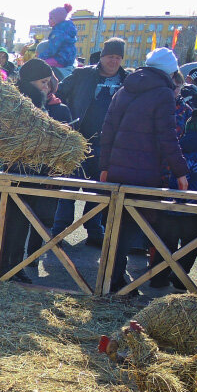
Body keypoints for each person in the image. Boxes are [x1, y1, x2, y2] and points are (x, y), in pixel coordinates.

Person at [99, 47, 188, 293]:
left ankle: (110, 278)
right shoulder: (163, 94)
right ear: (170, 71)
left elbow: (107, 131)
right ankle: (115, 282)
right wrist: (181, 171)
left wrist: (104, 167)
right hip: (145, 173)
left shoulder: (123, 89)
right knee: (129, 227)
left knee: (116, 225)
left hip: (117, 169)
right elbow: (167, 137)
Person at [0, 59, 72, 283]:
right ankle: (7, 268)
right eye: (42, 82)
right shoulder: (16, 105)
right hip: (18, 173)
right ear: (29, 82)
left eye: (49, 82)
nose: (46, 87)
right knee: (13, 223)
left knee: (34, 222)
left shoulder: (53, 106)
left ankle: (19, 265)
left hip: (40, 174)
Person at [54, 37, 128, 246]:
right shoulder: (82, 74)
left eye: (117, 57)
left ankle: (94, 231)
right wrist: (64, 122)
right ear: (102, 57)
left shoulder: (128, 80)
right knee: (69, 188)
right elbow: (58, 94)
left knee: (99, 191)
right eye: (110, 56)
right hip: (78, 141)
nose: (113, 61)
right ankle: (58, 231)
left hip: (108, 147)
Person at [149, 111, 197, 290]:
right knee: (191, 243)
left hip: (169, 203)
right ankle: (180, 276)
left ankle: (158, 277)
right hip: (194, 206)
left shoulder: (176, 147)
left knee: (165, 242)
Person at [37, 4, 77, 79]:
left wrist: (40, 57)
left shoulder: (58, 32)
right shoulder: (66, 30)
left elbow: (53, 49)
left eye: (51, 18)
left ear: (57, 19)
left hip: (61, 58)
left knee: (41, 65)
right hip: (68, 58)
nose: (48, 20)